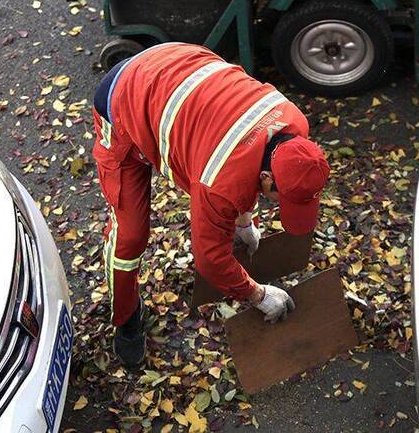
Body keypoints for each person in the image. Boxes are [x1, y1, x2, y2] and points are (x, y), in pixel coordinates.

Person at [92, 43, 330, 367]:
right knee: (130, 235)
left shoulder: (294, 124)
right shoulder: (219, 182)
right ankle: (126, 317)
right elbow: (209, 260)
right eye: (280, 198)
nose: (279, 205)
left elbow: (252, 156)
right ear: (265, 177)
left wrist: (246, 223)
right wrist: (257, 296)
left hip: (179, 67)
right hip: (123, 100)